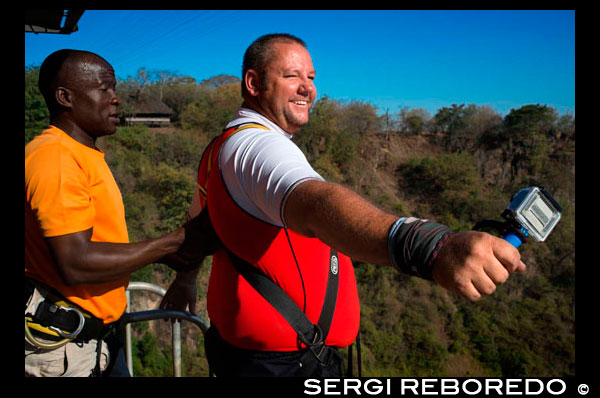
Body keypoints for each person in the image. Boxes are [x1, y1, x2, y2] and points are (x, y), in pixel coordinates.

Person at [163, 33, 526, 377]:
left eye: (311, 76)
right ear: (254, 84)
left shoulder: (219, 150)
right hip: (281, 366)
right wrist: (427, 245)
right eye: (291, 76)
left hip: (253, 357)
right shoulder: (257, 148)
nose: (308, 88)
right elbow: (317, 203)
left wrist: (185, 279)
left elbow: (198, 229)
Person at [25, 49, 216, 377]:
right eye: (104, 89)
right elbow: (75, 263)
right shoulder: (55, 158)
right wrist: (167, 245)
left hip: (98, 341)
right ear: (65, 97)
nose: (117, 100)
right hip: (65, 353)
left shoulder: (83, 155)